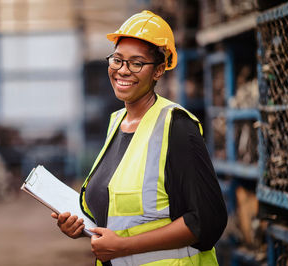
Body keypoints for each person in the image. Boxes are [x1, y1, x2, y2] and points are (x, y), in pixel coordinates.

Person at [51, 10, 227, 266]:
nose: (123, 70)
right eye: (117, 60)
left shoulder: (176, 126)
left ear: (159, 70)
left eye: (136, 63)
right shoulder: (116, 123)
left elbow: (207, 222)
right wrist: (81, 227)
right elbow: (120, 216)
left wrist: (122, 247)